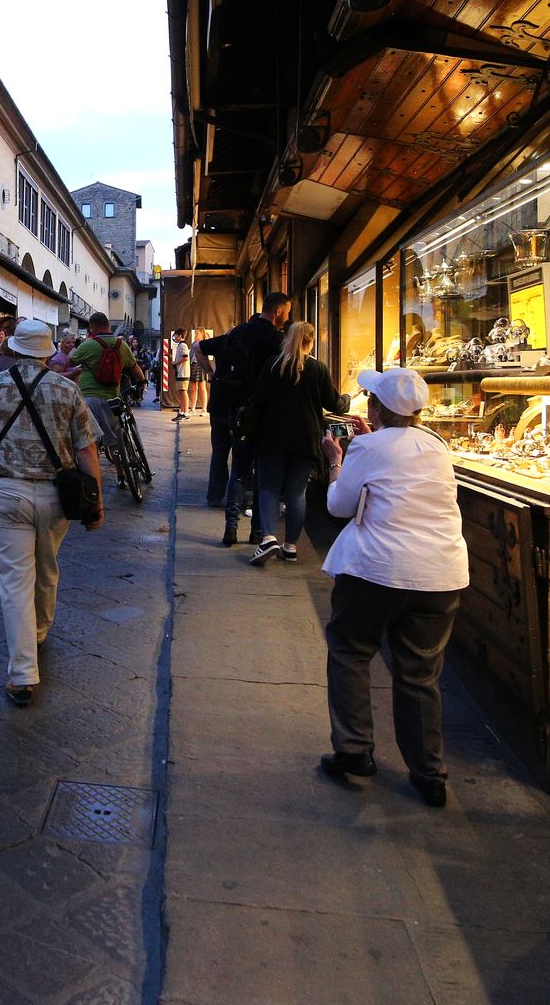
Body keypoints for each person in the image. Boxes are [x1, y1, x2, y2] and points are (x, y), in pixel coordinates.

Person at [318, 366, 468, 808]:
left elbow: (339, 506)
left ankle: (355, 750)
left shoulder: (364, 444)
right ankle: (429, 774)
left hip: (376, 569)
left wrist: (336, 460)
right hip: (440, 573)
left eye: (371, 398)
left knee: (349, 651)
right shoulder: (438, 445)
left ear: (378, 407)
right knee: (419, 674)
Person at [0, 319, 103, 707]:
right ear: (48, 350)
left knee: (14, 580)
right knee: (47, 567)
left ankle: (22, 674)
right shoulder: (68, 390)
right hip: (57, 495)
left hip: (7, 494)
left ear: (16, 349)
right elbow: (87, 451)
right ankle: (37, 631)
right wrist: (96, 502)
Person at [244, 321, 347, 566]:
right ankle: (290, 546)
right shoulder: (318, 369)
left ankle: (269, 537)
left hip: (272, 437)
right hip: (305, 439)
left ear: (288, 339)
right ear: (310, 343)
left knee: (268, 488)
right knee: (296, 493)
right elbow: (333, 403)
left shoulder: (273, 365)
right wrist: (348, 399)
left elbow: (257, 400)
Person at [203, 293, 292, 542]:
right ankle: (255, 532)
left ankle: (230, 528)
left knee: (237, 469)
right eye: (287, 311)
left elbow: (200, 347)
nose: (287, 316)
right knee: (261, 473)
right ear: (278, 311)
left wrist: (211, 375)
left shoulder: (238, 332)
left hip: (230, 408)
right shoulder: (277, 340)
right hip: (261, 414)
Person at [68, 312, 142, 453]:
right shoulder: (122, 345)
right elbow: (134, 367)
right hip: (113, 397)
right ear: (108, 325)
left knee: (90, 440)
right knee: (114, 440)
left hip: (89, 397)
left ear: (93, 327)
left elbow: (71, 362)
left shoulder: (88, 344)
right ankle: (121, 473)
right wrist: (142, 382)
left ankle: (94, 472)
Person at [167, 330, 193, 419]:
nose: (174, 337)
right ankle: (182, 411)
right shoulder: (181, 345)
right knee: (181, 392)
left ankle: (185, 413)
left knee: (183, 391)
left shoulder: (183, 345)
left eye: (176, 335)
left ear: (180, 336)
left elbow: (185, 358)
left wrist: (175, 363)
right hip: (180, 372)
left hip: (183, 372)